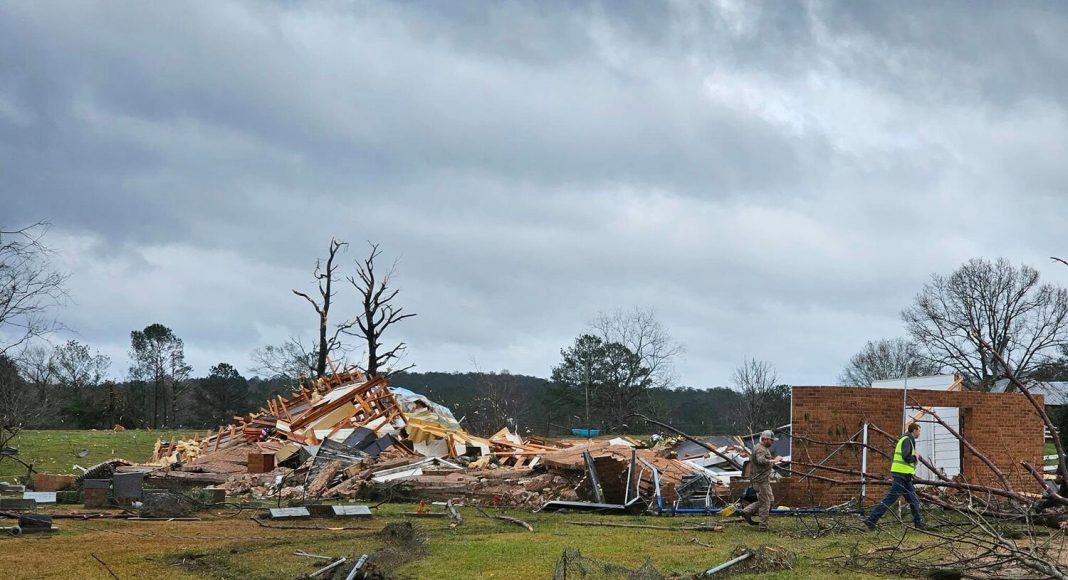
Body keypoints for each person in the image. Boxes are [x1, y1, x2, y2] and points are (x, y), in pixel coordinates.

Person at [865, 422, 926, 530]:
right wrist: (915, 458)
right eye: (919, 431)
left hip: (905, 476)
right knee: (890, 498)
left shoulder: (907, 439)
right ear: (914, 430)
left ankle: (919, 524)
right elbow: (906, 456)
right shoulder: (907, 439)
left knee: (913, 500)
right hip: (901, 475)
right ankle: (871, 519)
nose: (920, 433)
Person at [740, 429, 783, 531]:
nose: (772, 442)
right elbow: (761, 460)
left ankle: (747, 511)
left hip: (764, 480)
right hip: (760, 481)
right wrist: (775, 460)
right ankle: (763, 527)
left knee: (770, 501)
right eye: (771, 440)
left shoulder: (763, 448)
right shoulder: (760, 449)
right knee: (765, 503)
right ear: (765, 439)